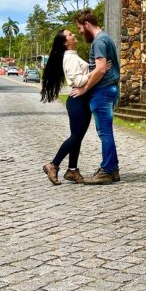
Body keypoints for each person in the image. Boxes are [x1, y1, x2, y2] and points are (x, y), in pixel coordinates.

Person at [71, 9, 120, 184]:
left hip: (102, 91)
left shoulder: (99, 41)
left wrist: (84, 89)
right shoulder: (106, 38)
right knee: (106, 131)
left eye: (79, 27)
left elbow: (100, 70)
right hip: (110, 90)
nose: (79, 32)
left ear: (87, 24)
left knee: (104, 132)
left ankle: (106, 171)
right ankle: (112, 169)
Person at [40, 29, 92, 185]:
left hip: (81, 101)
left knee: (78, 137)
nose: (74, 35)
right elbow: (78, 81)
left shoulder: (73, 56)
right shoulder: (69, 58)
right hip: (78, 100)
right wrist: (96, 71)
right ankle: (53, 165)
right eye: (70, 35)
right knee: (75, 137)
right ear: (65, 42)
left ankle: (72, 170)